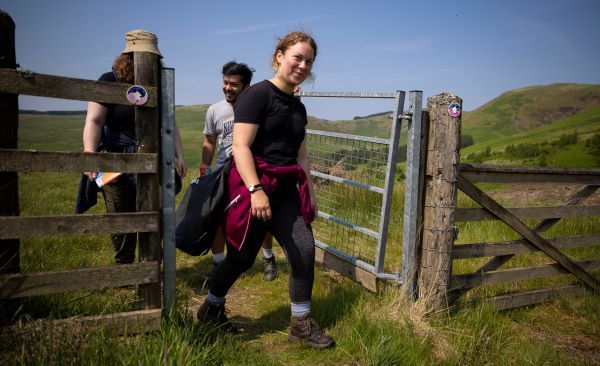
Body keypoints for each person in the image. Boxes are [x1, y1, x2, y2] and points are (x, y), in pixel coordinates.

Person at [197, 31, 334, 349]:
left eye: (308, 61)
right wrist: (256, 189)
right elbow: (241, 147)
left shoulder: (298, 109)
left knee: (303, 250)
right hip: (252, 189)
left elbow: (301, 155)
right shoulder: (256, 96)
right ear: (280, 56)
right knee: (241, 259)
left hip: (286, 191)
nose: (302, 65)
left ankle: (300, 324)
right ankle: (212, 307)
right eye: (297, 57)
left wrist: (310, 190)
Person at [82, 29, 187, 264]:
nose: (148, 62)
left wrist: (179, 155)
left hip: (153, 158)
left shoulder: (160, 84)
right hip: (114, 160)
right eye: (140, 56)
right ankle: (124, 269)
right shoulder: (108, 81)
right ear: (127, 57)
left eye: (153, 58)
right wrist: (89, 153)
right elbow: (94, 120)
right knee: (120, 216)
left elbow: (170, 122)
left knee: (154, 214)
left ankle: (150, 267)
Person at [200, 61, 277, 281]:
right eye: (225, 83)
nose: (228, 88)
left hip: (252, 170)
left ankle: (268, 258)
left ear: (246, 86)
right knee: (217, 219)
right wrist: (205, 165)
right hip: (223, 170)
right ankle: (217, 264)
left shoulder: (259, 106)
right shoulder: (214, 110)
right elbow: (209, 140)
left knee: (261, 216)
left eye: (234, 84)